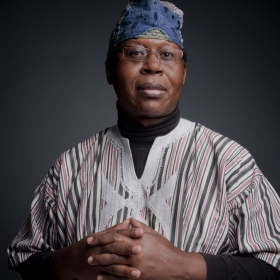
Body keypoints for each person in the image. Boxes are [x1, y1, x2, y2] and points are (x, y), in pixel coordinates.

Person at [8, 0, 280, 279]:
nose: (152, 65)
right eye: (135, 53)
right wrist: (69, 262)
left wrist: (184, 267)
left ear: (183, 72)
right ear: (110, 71)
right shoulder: (69, 167)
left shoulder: (230, 163)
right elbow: (24, 257)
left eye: (167, 55)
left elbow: (275, 264)